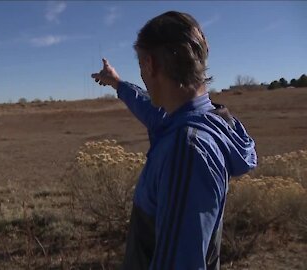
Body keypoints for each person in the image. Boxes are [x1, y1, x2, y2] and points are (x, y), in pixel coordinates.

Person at [91, 11, 257, 270]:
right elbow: (146, 106)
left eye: (141, 67)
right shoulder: (191, 119)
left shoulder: (187, 150)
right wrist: (117, 83)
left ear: (150, 65)